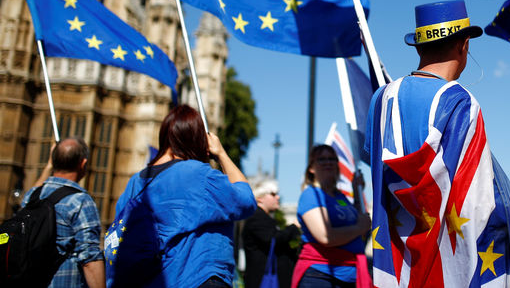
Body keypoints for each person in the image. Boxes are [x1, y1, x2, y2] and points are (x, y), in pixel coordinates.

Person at [365, 0, 510, 286]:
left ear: (418, 47)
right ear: (464, 45)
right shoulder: (458, 103)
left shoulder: (380, 100)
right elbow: (480, 210)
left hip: (396, 274)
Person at [114, 105, 256, 287]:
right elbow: (245, 201)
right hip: (196, 277)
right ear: (196, 139)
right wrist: (221, 154)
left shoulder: (136, 182)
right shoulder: (197, 174)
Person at [21, 137, 105, 288]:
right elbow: (90, 259)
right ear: (83, 163)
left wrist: (48, 167)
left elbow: (37, 188)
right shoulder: (80, 201)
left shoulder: (32, 196)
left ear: (53, 162)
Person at [292, 144, 371, 288]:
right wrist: (360, 227)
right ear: (311, 168)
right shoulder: (311, 194)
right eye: (321, 159)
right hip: (320, 275)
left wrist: (357, 193)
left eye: (332, 159)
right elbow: (325, 237)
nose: (328, 162)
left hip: (350, 275)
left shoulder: (340, 197)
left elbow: (358, 221)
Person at [242, 176, 301, 288]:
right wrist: (294, 227)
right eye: (273, 194)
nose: (278, 197)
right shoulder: (257, 217)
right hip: (263, 280)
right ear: (260, 198)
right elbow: (272, 240)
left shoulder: (263, 217)